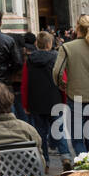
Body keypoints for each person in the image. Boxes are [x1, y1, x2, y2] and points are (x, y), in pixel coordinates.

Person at [53, 14, 89, 161]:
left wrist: (62, 85)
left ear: (77, 27)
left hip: (75, 97)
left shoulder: (67, 47)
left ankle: (86, 168)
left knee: (77, 139)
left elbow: (57, 71)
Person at [23, 31, 72, 168]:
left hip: (36, 101)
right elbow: (63, 81)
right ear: (50, 44)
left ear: (36, 44)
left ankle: (44, 161)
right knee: (58, 129)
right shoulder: (56, 58)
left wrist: (25, 104)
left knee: (40, 133)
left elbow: (25, 83)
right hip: (54, 100)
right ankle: (65, 157)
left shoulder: (29, 60)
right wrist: (64, 100)